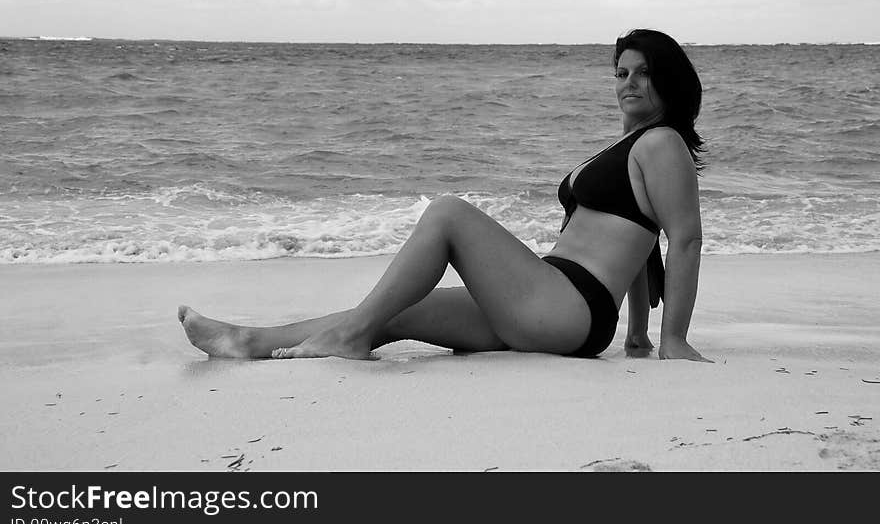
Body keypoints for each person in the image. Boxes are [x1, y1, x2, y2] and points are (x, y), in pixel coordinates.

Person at [179, 29, 711, 363]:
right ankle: (250, 342)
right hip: (551, 302)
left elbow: (683, 241)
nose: (629, 82)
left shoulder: (663, 144)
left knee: (448, 213)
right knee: (399, 309)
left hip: (571, 306)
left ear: (669, 80)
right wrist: (637, 337)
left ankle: (347, 336)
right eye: (622, 72)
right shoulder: (628, 146)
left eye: (644, 73)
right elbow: (642, 248)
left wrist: (672, 340)